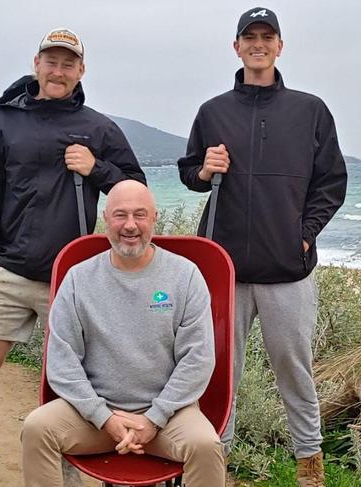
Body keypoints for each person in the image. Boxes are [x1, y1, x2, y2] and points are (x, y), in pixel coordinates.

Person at [0, 28, 146, 487]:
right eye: (52, 61)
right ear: (37, 64)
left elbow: (134, 191)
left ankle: (72, 461)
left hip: (71, 277)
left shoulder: (99, 127)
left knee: (72, 377)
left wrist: (95, 168)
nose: (58, 70)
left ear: (80, 71)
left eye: (68, 64)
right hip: (10, 268)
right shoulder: (3, 122)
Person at [178, 7, 347, 487]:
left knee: (294, 369)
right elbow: (190, 174)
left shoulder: (310, 109)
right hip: (225, 268)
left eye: (266, 36)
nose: (258, 43)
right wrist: (206, 170)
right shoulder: (213, 111)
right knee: (218, 371)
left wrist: (305, 233)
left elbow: (331, 182)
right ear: (236, 47)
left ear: (279, 45)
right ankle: (216, 464)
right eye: (249, 36)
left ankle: (309, 465)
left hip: (287, 269)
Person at [20, 180, 226, 487]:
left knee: (206, 447)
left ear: (155, 217)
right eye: (120, 215)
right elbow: (62, 362)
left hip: (168, 418)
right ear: (106, 219)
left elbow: (197, 360)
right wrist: (105, 418)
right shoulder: (79, 279)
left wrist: (154, 419)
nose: (130, 225)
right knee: (37, 428)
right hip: (93, 418)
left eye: (140, 215)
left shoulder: (185, 276)